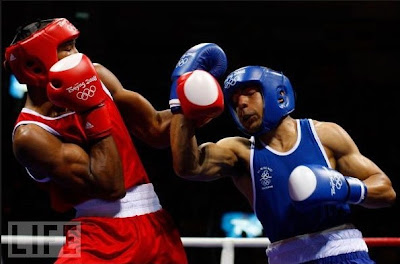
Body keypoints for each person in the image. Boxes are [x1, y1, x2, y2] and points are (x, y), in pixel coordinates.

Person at [169, 57, 397, 263]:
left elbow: (386, 191)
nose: (241, 104)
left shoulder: (324, 135)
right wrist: (180, 101)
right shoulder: (241, 151)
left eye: (249, 92)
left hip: (342, 252)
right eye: (235, 101)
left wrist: (345, 189)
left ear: (277, 93)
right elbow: (189, 167)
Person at [4, 18, 188, 264]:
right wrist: (94, 107)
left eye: (75, 45)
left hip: (156, 224)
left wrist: (193, 104)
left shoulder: (97, 75)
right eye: (67, 48)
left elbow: (155, 130)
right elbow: (111, 186)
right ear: (35, 66)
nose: (79, 55)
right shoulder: (31, 135)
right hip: (97, 235)